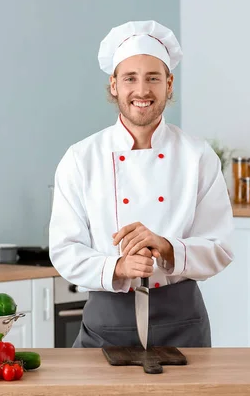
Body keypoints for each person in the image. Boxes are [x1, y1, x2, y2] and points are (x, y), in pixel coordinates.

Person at [49, 20, 234, 348]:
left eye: (153, 78)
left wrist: (167, 247)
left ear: (169, 84)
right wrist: (117, 266)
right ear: (114, 85)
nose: (142, 90)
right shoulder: (81, 158)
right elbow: (64, 250)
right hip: (107, 319)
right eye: (130, 78)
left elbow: (220, 247)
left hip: (183, 321)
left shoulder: (197, 156)